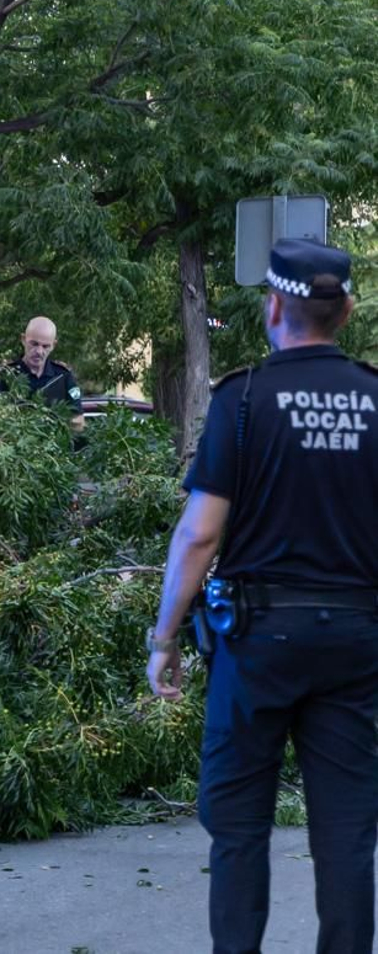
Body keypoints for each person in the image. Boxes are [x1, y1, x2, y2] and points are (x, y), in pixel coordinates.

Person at [146, 238, 378, 953]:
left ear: (274, 307)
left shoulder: (243, 399)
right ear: (343, 313)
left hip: (257, 642)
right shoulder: (375, 398)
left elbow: (197, 537)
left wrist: (164, 637)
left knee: (240, 825)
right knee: (346, 832)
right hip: (357, 641)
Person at [5, 316, 84, 432]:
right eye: (34, 344)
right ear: (23, 339)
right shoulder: (7, 376)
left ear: (54, 345)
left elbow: (77, 422)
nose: (39, 351)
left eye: (45, 346)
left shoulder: (63, 377)